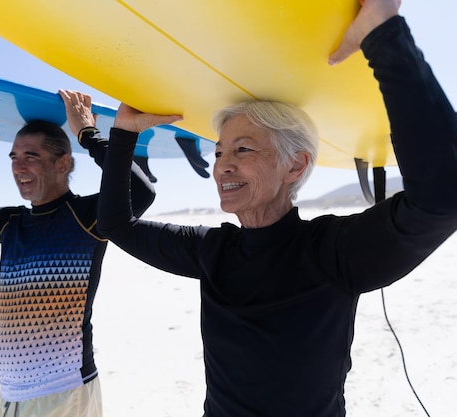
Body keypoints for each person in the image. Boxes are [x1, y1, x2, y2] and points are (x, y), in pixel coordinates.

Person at [97, 1, 457, 416]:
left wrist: (384, 35)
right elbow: (116, 224)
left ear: (295, 165)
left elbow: (442, 195)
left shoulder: (334, 253)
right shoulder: (211, 251)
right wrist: (123, 135)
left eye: (242, 149)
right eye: (217, 153)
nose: (222, 166)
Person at [0, 89, 155, 417]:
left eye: (30, 155)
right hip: (10, 392)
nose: (18, 166)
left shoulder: (88, 217)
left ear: (63, 163)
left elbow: (141, 191)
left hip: (63, 390)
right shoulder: (9, 223)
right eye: (14, 157)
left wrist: (88, 134)